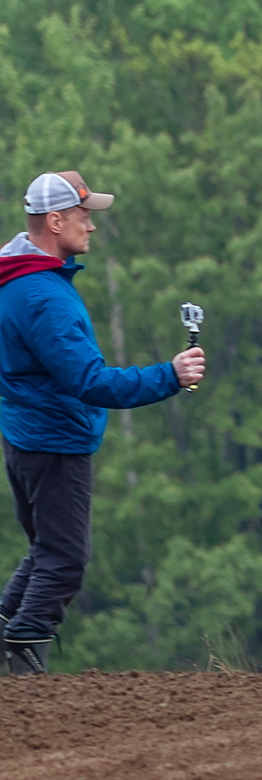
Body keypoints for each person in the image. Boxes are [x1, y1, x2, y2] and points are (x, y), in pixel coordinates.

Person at [0, 171, 206, 675]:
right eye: (84, 215)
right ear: (55, 220)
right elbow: (89, 382)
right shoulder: (42, 295)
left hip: (27, 436)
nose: (91, 227)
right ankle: (23, 673)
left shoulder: (15, 279)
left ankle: (9, 642)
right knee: (65, 560)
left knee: (48, 551)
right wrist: (170, 375)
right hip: (55, 441)